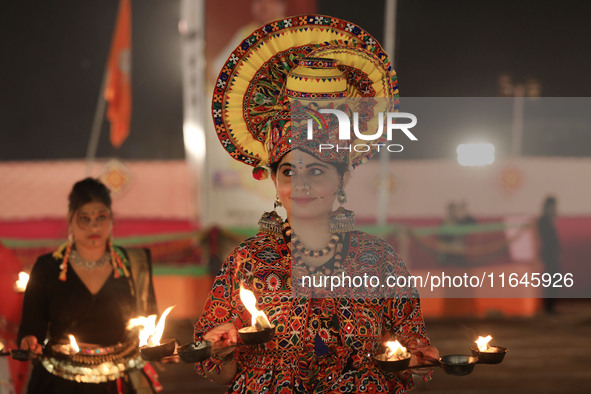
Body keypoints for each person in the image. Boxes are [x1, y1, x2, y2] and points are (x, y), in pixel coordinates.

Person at [194, 15, 438, 392]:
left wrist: (417, 357)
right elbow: (220, 370)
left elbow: (410, 353)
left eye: (317, 172)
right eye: (289, 172)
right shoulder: (247, 262)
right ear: (274, 180)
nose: (302, 185)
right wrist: (221, 349)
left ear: (342, 178)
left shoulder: (380, 260)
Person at [18, 178, 160, 393]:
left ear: (111, 219)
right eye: (85, 219)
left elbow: (150, 321)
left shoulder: (134, 264)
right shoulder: (47, 267)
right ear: (70, 220)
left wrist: (160, 349)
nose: (94, 226)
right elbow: (30, 328)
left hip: (118, 381)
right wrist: (29, 342)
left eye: (101, 217)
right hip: (59, 382)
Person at [536, 196, 561, 314]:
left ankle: (551, 307)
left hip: (552, 256)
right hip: (548, 257)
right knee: (551, 281)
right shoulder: (542, 221)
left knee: (554, 281)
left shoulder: (548, 220)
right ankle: (548, 308)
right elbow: (544, 240)